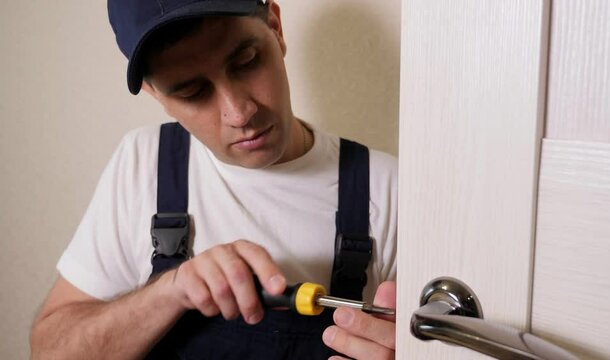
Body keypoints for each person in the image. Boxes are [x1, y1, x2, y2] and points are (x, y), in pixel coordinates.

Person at [30, 0, 397, 359]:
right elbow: (48, 351)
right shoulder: (143, 163)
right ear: (154, 93)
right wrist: (168, 293)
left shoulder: (388, 187)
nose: (240, 112)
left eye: (247, 62)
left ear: (275, 26)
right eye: (193, 92)